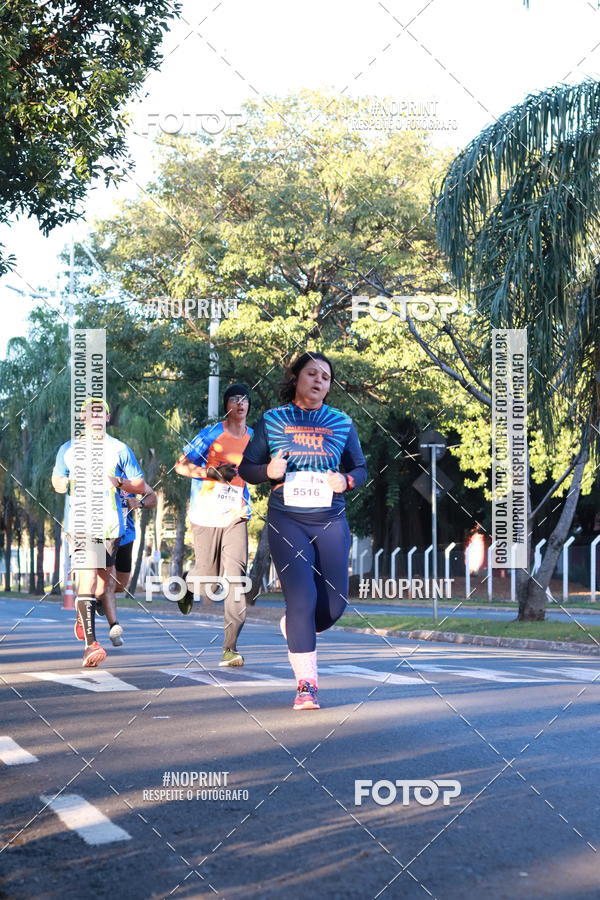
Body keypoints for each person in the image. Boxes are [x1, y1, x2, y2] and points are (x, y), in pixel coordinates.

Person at [239, 352, 367, 710]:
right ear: (296, 378)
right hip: (287, 518)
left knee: (334, 605)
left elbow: (360, 467)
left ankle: (295, 627)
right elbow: (247, 468)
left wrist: (347, 479)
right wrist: (268, 471)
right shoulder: (273, 420)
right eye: (311, 374)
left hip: (329, 517)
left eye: (325, 377)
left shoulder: (341, 422)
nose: (318, 381)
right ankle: (306, 685)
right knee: (302, 599)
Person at [52, 399, 146, 666]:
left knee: (104, 585)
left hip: (111, 526)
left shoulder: (119, 449)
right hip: (81, 525)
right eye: (89, 412)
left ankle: (84, 615)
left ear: (106, 417)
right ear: (82, 417)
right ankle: (91, 645)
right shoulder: (69, 450)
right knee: (87, 578)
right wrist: (65, 481)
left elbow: (139, 484)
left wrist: (120, 482)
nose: (94, 416)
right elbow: (57, 481)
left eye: (99, 412)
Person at [175, 383, 253, 666]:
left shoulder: (254, 438)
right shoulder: (210, 434)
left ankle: (229, 648)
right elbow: (180, 465)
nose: (241, 403)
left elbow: (260, 468)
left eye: (245, 400)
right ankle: (188, 584)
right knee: (208, 581)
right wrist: (210, 472)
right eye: (236, 399)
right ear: (227, 405)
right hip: (205, 514)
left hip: (236, 516)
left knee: (236, 579)